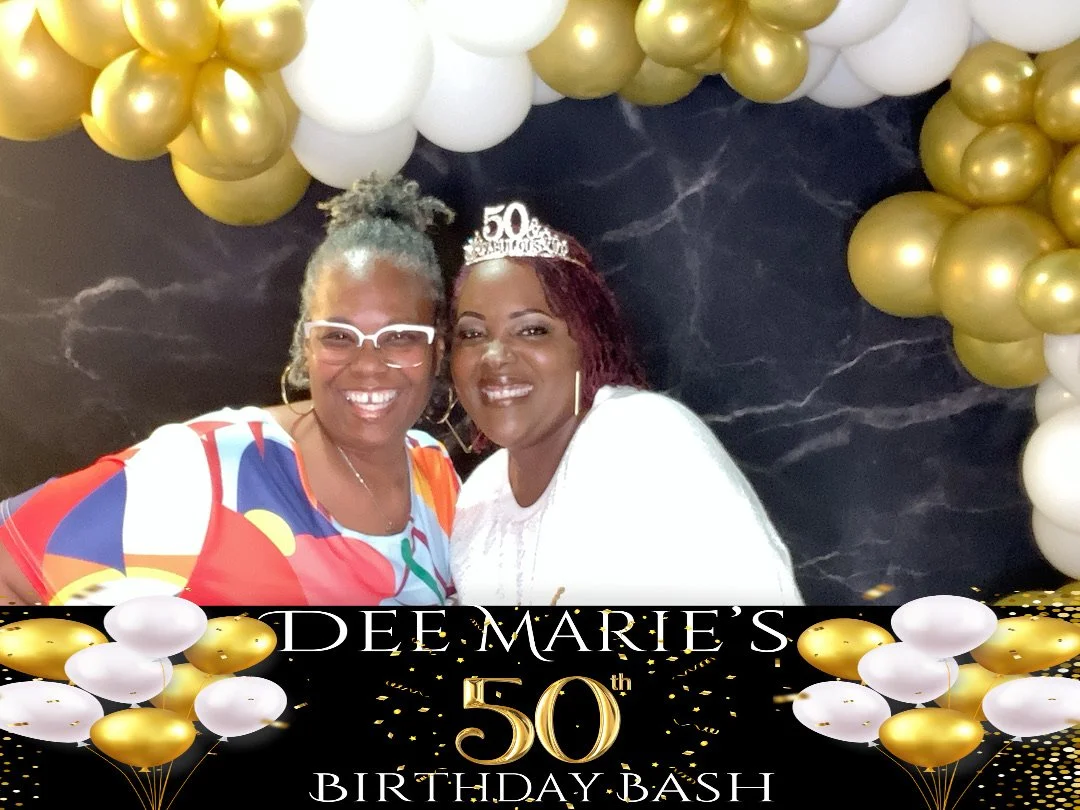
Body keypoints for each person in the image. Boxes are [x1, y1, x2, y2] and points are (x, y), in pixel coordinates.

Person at [0, 176, 459, 607]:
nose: (368, 364)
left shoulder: (433, 471)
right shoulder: (210, 465)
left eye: (400, 335)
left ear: (436, 347)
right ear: (306, 344)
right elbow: (8, 562)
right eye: (338, 336)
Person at [447, 201, 803, 606]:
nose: (494, 356)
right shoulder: (476, 499)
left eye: (531, 329)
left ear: (585, 344)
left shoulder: (640, 436)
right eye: (472, 334)